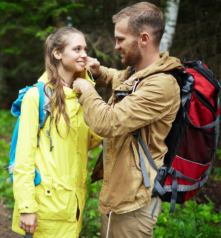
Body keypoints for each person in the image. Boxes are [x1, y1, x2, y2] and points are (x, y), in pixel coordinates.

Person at [73, 2, 184, 238]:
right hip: (121, 193)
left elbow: (107, 121)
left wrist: (84, 87)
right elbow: (120, 80)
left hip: (135, 203)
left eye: (121, 39)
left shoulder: (161, 85)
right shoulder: (139, 73)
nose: (116, 46)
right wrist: (98, 73)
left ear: (144, 38)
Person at [11, 27, 102, 238]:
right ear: (57, 53)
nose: (84, 54)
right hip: (47, 206)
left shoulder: (81, 95)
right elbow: (23, 156)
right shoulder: (37, 97)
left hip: (74, 204)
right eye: (77, 49)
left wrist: (90, 93)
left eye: (85, 49)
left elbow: (92, 141)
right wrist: (26, 207)